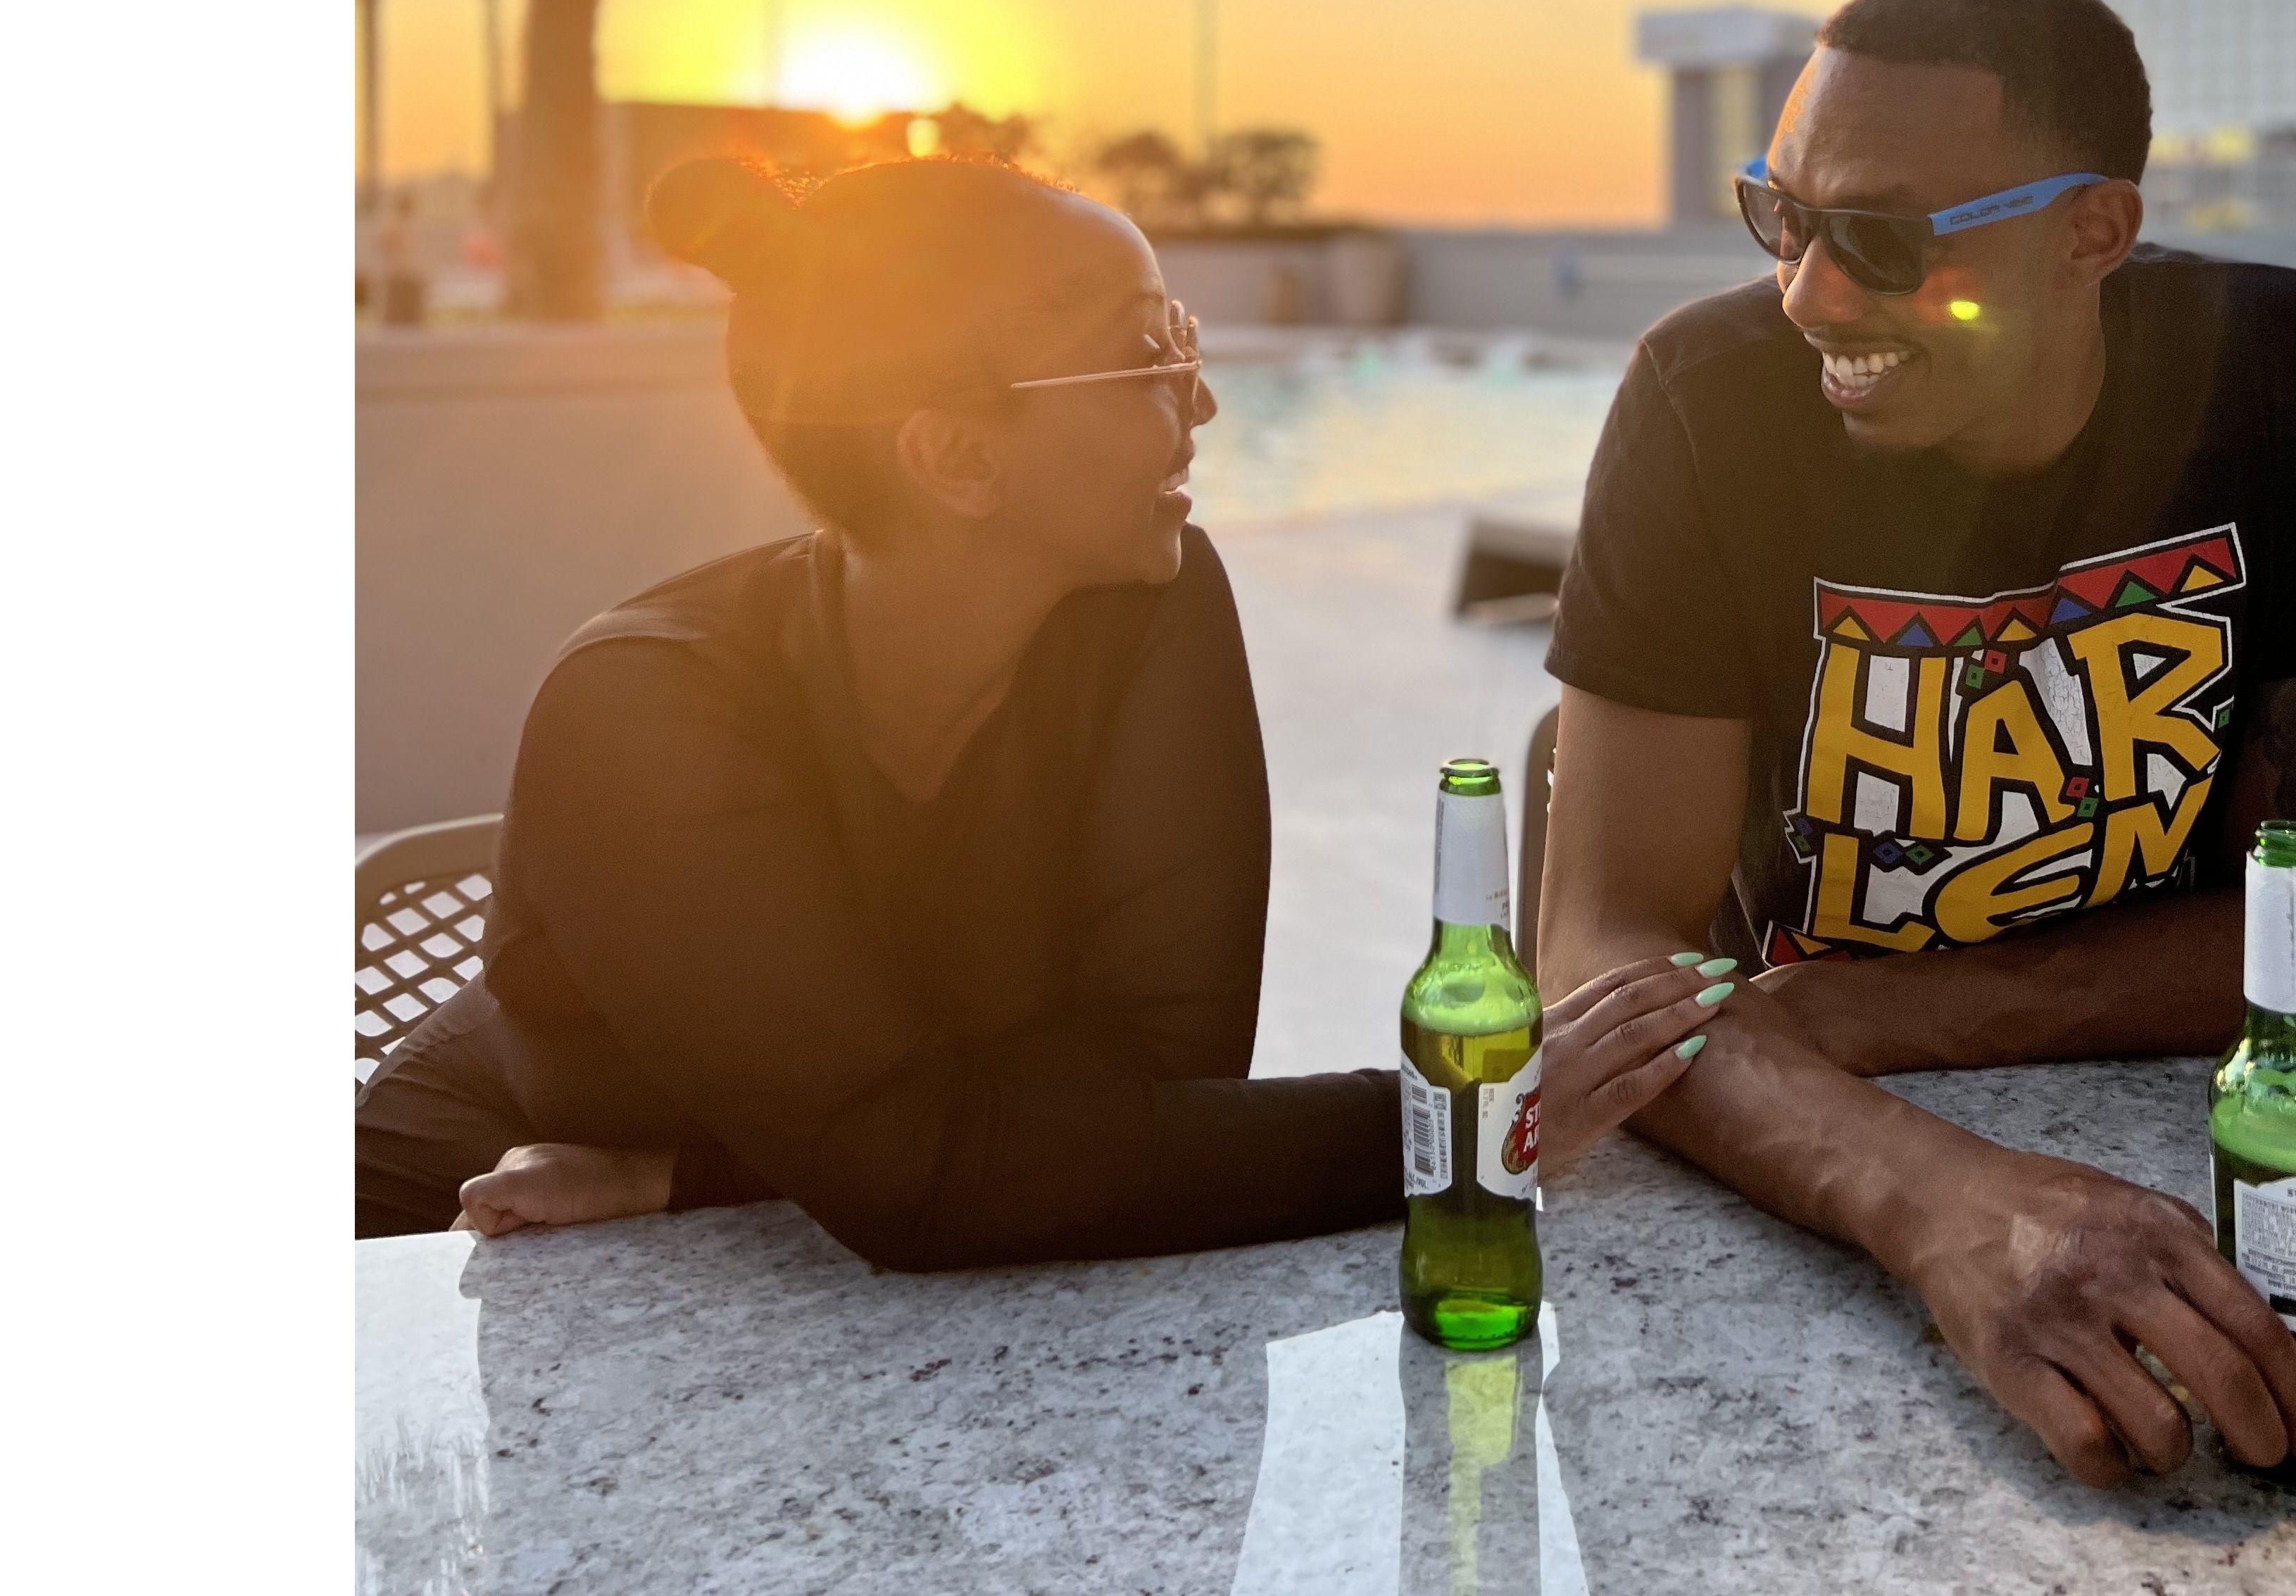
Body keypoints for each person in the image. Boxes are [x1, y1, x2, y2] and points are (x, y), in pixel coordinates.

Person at [358, 151, 1712, 1263]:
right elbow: (936, 1179)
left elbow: (1156, 1091)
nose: (1203, 401)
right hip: (472, 1249)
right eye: (1146, 357)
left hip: (797, 1249)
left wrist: (692, 1181)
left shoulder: (1149, 603)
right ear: (956, 457)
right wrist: (1462, 1121)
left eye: (1183, 338)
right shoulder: (639, 717)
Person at [1536, 0, 2296, 1490]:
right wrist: (1946, 1207)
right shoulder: (1707, 401)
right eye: (1784, 217)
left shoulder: (2277, 374)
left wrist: (1885, 1015)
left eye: (1882, 239)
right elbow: (1604, 955)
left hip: (2053, 1108)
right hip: (1786, 1164)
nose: (1810, 293)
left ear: (2092, 232)